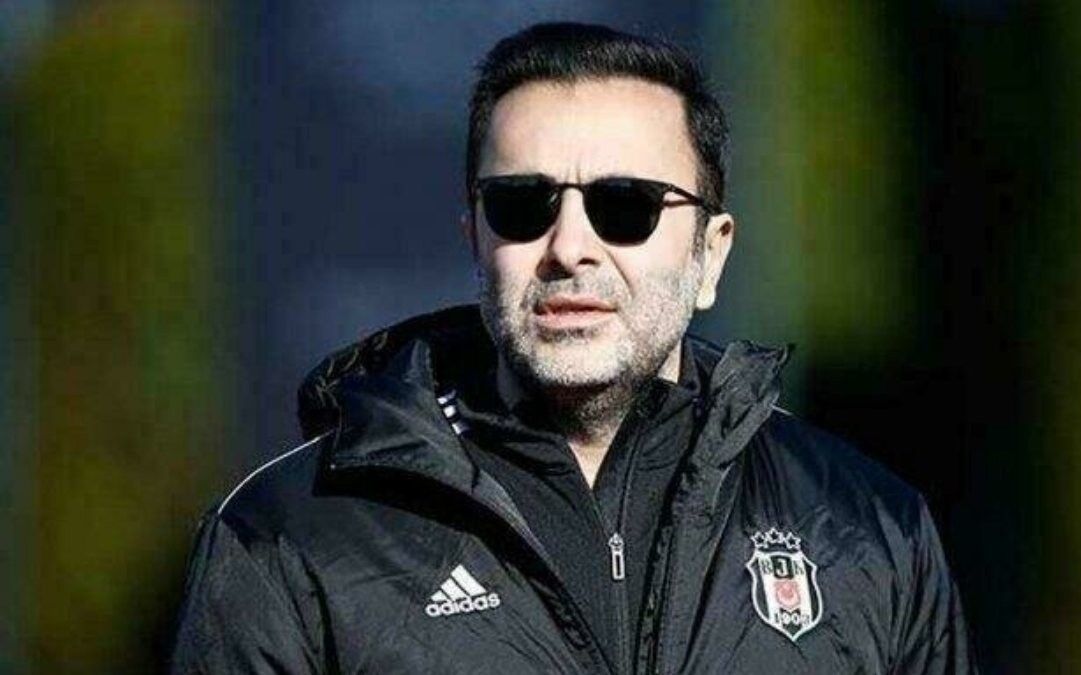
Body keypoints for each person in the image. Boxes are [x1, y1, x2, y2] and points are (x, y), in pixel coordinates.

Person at [170, 22, 976, 674]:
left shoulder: (868, 528)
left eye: (626, 206)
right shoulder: (290, 535)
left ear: (711, 254)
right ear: (475, 238)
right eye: (523, 205)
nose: (569, 247)